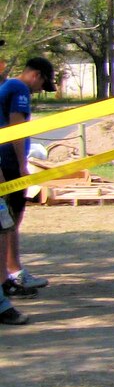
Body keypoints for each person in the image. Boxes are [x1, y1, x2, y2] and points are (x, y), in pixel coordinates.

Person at [0, 56, 55, 296]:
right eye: (42, 85)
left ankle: (12, 271)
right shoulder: (19, 88)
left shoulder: (9, 86)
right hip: (9, 162)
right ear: (37, 75)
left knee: (9, 220)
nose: (38, 90)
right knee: (10, 219)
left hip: (6, 160)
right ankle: (13, 272)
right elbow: (17, 128)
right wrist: (23, 165)